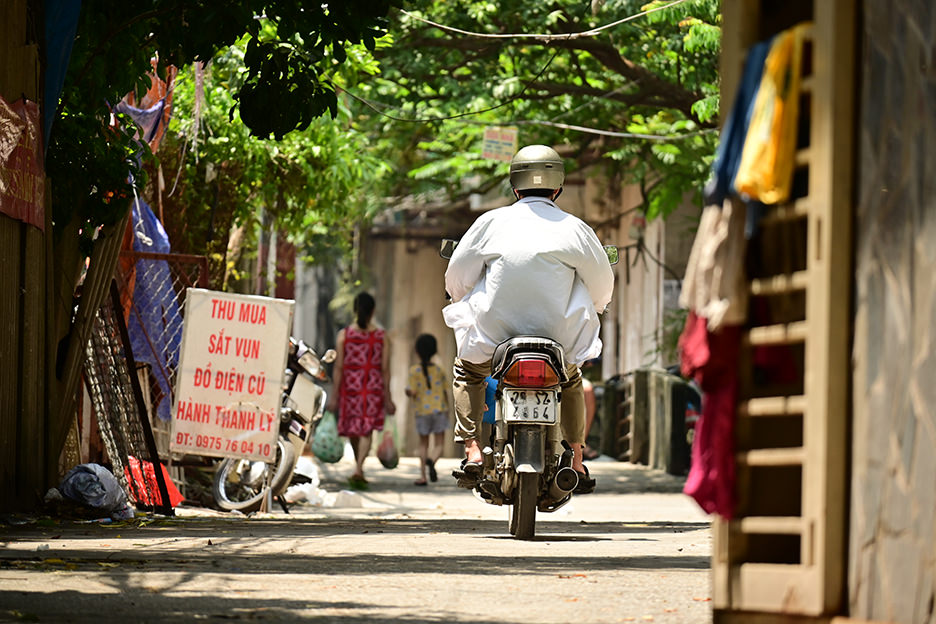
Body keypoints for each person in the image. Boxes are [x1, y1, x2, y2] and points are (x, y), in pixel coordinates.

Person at [443, 144, 615, 493]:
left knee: (468, 371)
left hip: (496, 337)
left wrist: (460, 298)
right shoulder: (576, 229)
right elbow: (602, 285)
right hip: (557, 340)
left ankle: (473, 449)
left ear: (514, 186)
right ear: (559, 187)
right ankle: (578, 458)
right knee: (570, 381)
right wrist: (598, 306)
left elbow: (457, 278)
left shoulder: (489, 223)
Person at [327, 292, 396, 490]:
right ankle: (359, 467)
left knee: (354, 429)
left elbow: (338, 367)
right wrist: (388, 397)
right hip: (372, 388)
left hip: (351, 388)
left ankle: (358, 467)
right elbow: (385, 369)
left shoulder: (344, 335)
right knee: (366, 429)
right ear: (373, 311)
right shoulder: (382, 337)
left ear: (355, 310)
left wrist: (334, 395)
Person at [404, 334, 450, 486]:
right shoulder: (439, 370)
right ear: (434, 350)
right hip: (439, 410)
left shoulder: (414, 371)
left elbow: (412, 391)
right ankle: (432, 460)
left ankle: (423, 476)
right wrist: (448, 409)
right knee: (439, 445)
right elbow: (445, 391)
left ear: (417, 351)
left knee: (423, 444)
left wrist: (409, 392)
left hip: (422, 412)